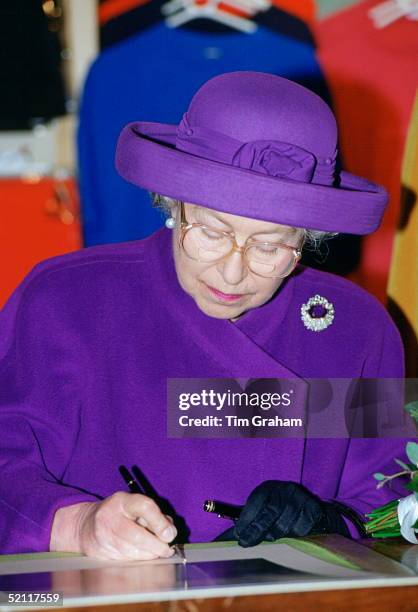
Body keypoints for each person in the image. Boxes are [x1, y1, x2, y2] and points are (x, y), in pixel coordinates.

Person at [0, 72, 405, 559]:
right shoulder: (64, 301)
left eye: (271, 246)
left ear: (307, 241)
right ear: (172, 203)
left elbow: (393, 493)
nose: (233, 273)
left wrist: (330, 520)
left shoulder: (356, 329)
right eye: (211, 232)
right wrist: (77, 523)